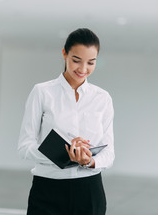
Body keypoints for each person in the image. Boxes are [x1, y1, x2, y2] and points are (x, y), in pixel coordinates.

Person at [18, 28, 115, 215]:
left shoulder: (103, 98)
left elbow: (109, 152)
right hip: (47, 189)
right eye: (76, 60)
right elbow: (24, 146)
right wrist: (62, 155)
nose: (83, 69)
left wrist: (88, 161)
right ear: (65, 54)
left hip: (89, 191)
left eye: (91, 63)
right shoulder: (42, 92)